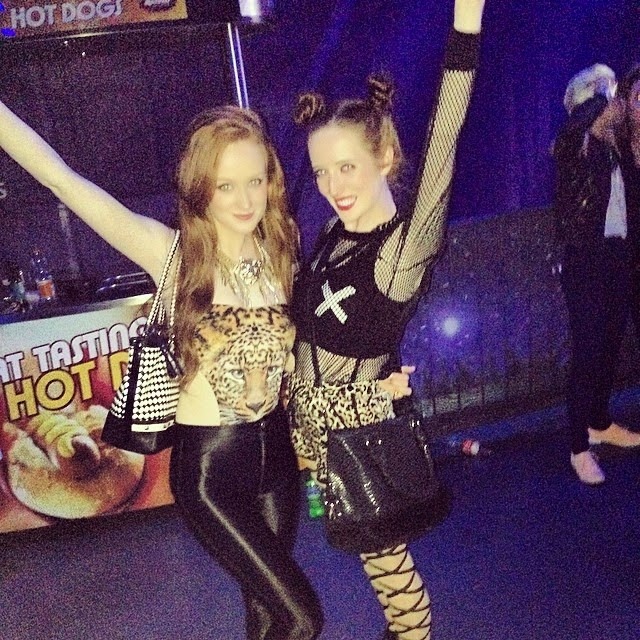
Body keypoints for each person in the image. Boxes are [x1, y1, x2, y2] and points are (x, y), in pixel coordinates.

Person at [0, 102, 324, 639]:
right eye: (226, 186)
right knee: (302, 618)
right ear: (201, 187)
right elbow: (61, 178)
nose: (245, 200)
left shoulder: (281, 253)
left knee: (267, 617)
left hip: (278, 463)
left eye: (255, 181)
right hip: (212, 472)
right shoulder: (171, 254)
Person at [287, 1, 485, 638]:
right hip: (318, 432)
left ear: (386, 158)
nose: (332, 184)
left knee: (392, 574)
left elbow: (446, 139)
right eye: (322, 170)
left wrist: (466, 25)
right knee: (378, 569)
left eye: (347, 166)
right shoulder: (331, 237)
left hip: (359, 436)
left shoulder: (402, 250)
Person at [553, 63, 640, 485]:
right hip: (584, 259)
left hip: (618, 256)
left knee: (609, 348)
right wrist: (606, 94)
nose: (614, 105)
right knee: (588, 351)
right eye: (605, 97)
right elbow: (580, 123)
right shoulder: (574, 145)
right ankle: (578, 447)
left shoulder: (617, 148)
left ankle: (600, 423)